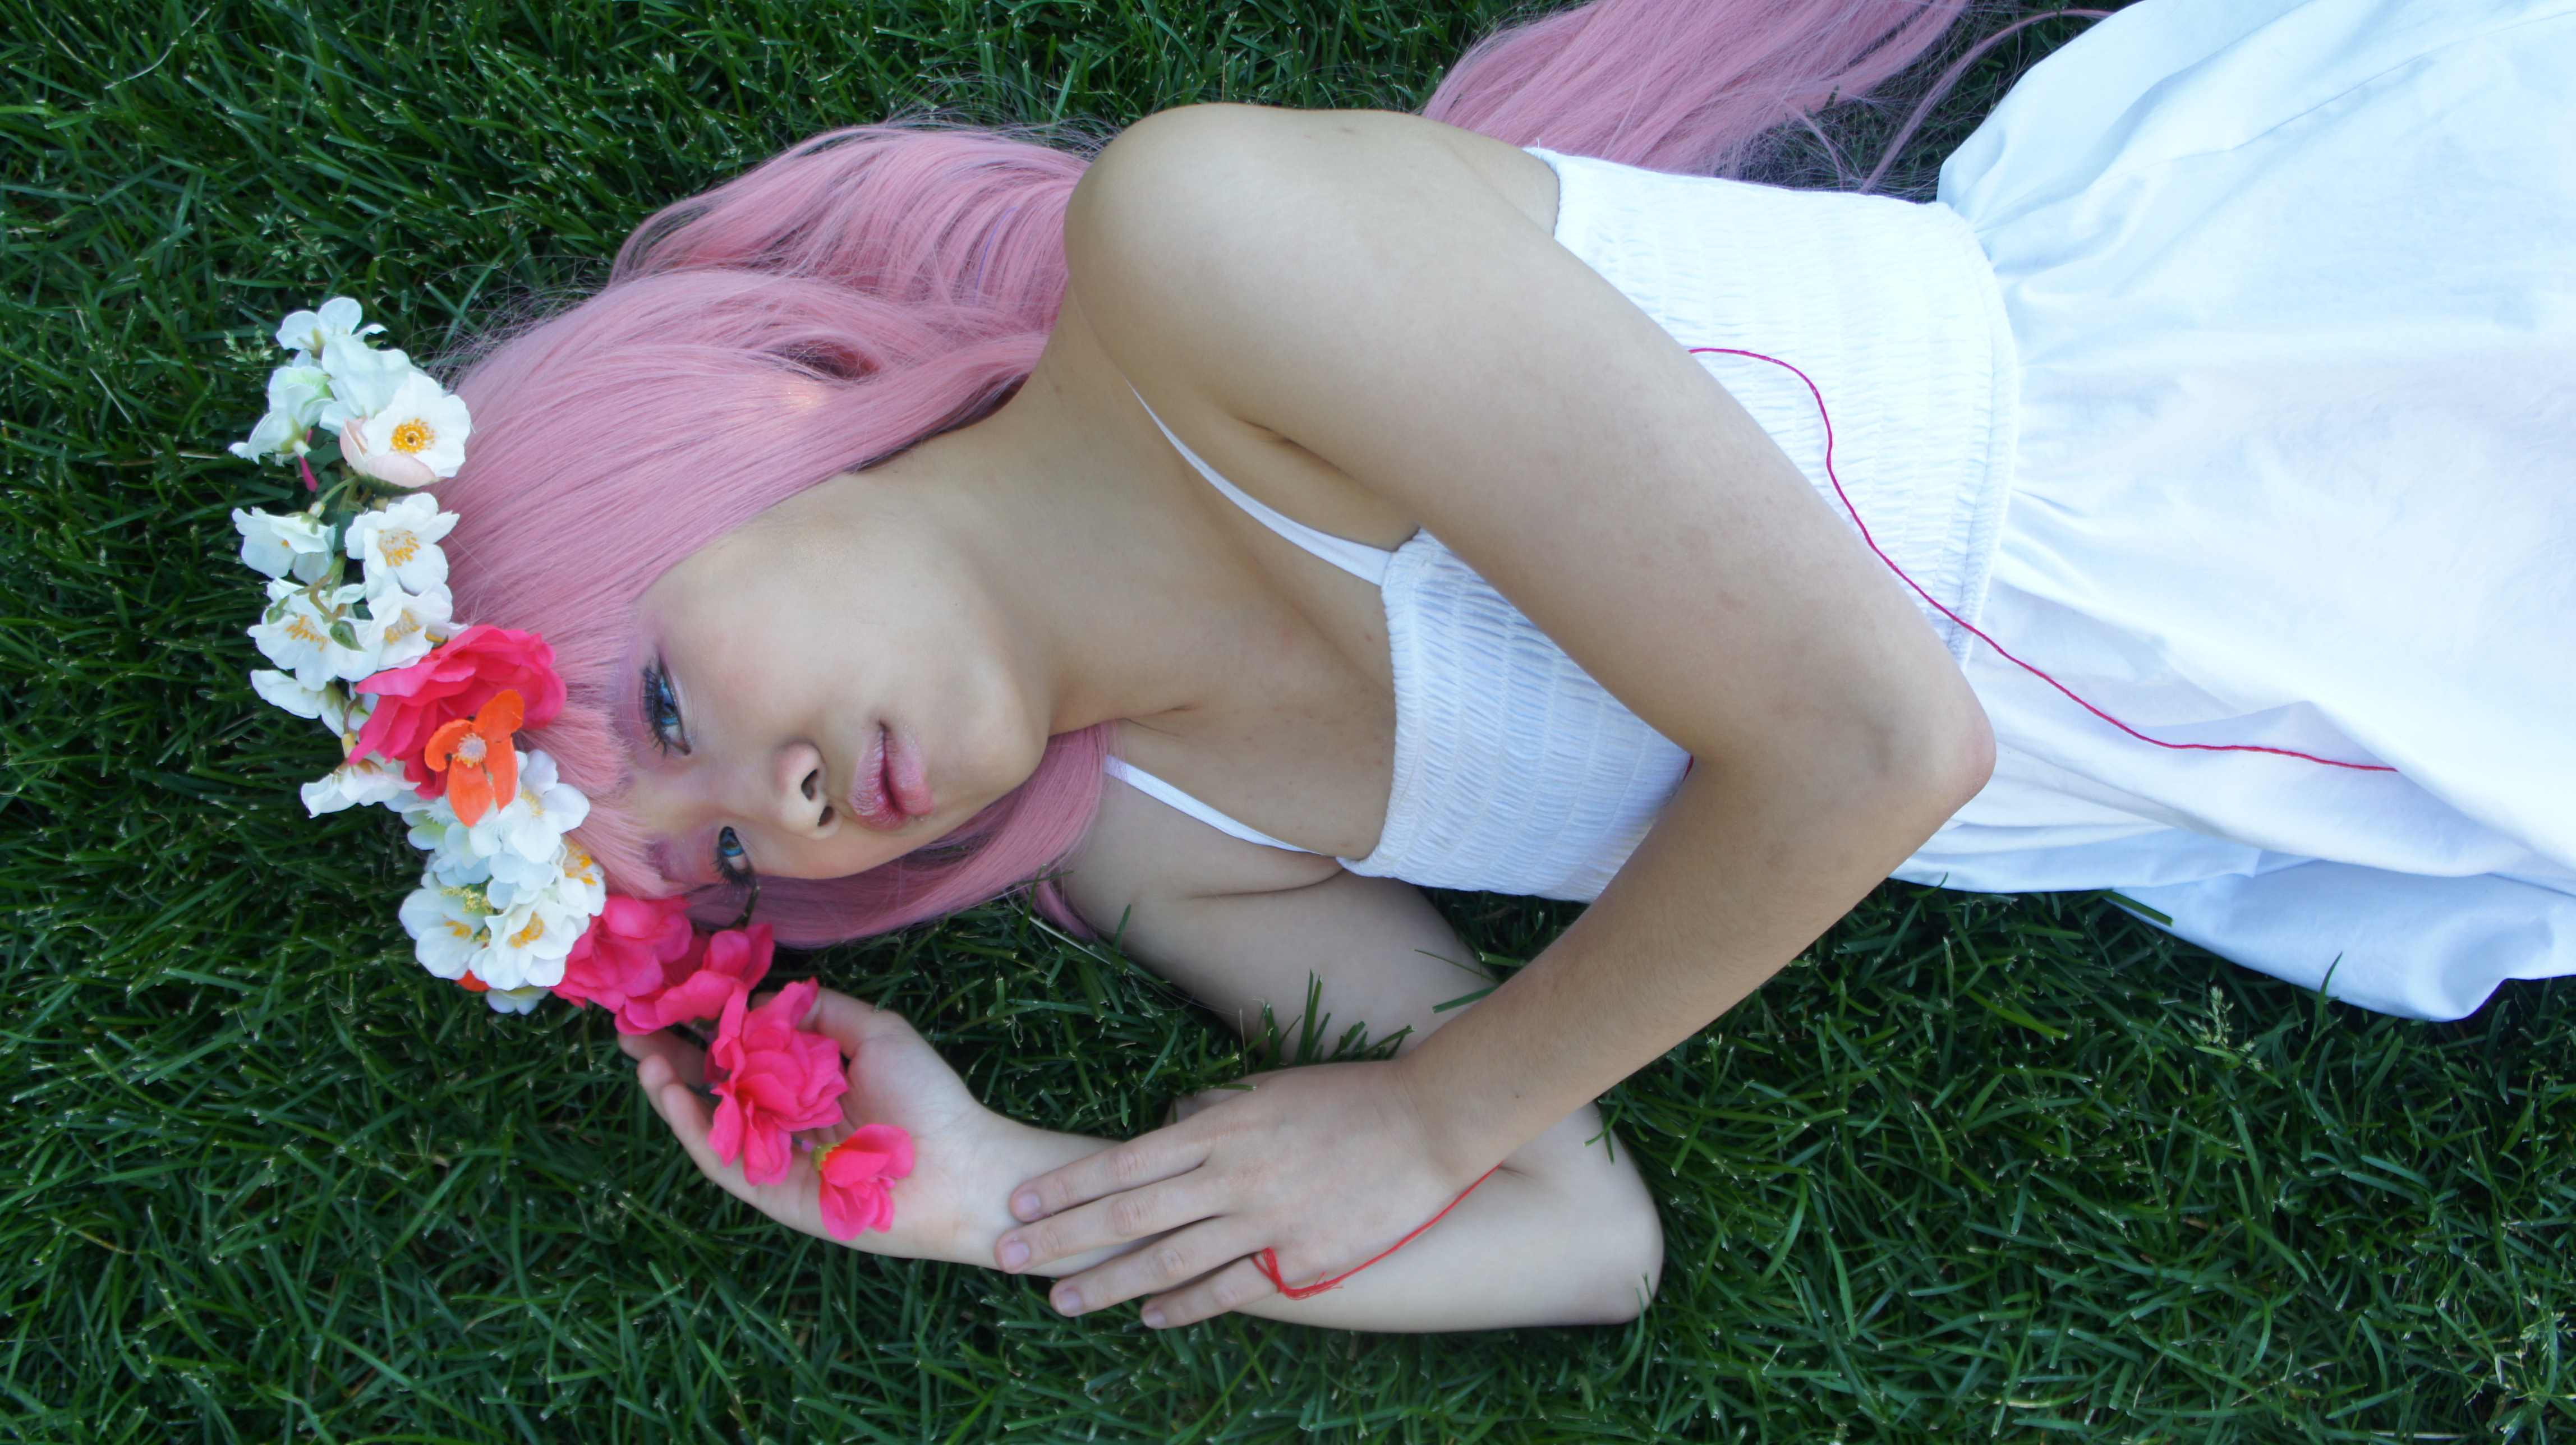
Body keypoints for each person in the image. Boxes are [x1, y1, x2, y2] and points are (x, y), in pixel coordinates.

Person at [430, 0, 2576, 1332]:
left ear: (754, 430)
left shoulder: (1208, 249)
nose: (783, 817)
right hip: (2288, 733)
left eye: (673, 711)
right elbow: (1577, 1236)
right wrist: (988, 1191)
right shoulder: (1162, 834)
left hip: (2300, 408)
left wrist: (1443, 1105)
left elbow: (1874, 742)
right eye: (727, 871)